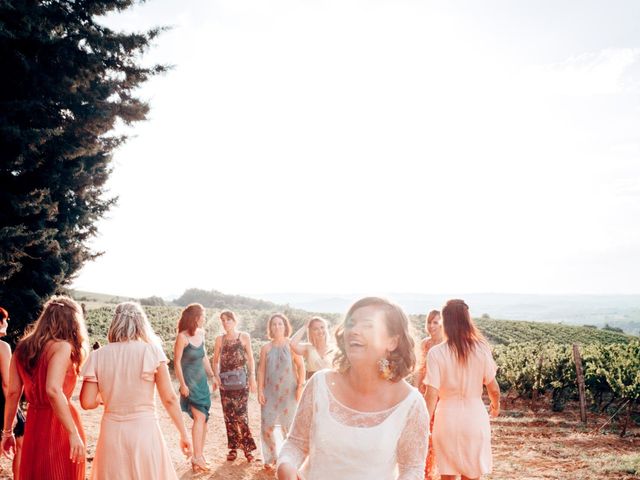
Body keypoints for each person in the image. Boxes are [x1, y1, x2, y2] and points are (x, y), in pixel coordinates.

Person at [277, 297, 429, 480]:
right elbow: (295, 443)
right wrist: (285, 466)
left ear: (392, 342)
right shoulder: (319, 384)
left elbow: (412, 469)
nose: (354, 331)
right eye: (351, 323)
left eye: (367, 325)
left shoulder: (410, 404)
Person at [80, 302, 192, 479]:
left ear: (115, 323)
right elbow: (169, 398)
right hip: (144, 431)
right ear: (141, 324)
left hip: (112, 433)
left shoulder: (98, 355)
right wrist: (184, 434)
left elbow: (86, 402)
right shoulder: (152, 352)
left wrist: (103, 398)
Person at [1, 296, 87, 480]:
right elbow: (53, 390)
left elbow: (13, 393)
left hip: (34, 421)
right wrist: (73, 433)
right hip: (61, 422)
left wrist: (7, 431)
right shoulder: (63, 347)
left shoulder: (23, 346)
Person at [424, 299, 501, 480]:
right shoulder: (481, 349)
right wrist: (495, 406)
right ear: (467, 320)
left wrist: (425, 423)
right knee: (472, 474)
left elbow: (431, 395)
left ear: (445, 322)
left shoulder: (436, 353)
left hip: (446, 420)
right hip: (474, 418)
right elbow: (494, 389)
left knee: (448, 475)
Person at [257, 313, 305, 470]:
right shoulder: (266, 348)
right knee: (267, 426)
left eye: (280, 324)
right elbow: (261, 371)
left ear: (285, 326)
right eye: (274, 324)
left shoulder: (291, 345)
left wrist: (300, 386)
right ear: (270, 327)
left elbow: (301, 366)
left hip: (289, 393)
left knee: (288, 427)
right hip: (270, 392)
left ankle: (289, 459)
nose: (277, 327)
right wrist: (259, 391)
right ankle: (271, 457)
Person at [173, 303, 216, 473]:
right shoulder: (182, 337)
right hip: (189, 383)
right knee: (199, 418)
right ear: (195, 318)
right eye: (203, 316)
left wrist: (213, 375)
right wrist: (182, 385)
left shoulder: (202, 334)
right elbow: (176, 362)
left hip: (202, 382)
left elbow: (204, 357)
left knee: (204, 419)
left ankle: (199, 455)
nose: (205, 319)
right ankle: (196, 457)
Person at [211, 310, 258, 462]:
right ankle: (233, 448)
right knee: (229, 416)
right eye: (223, 320)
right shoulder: (220, 339)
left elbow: (250, 358)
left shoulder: (244, 337)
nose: (225, 323)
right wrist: (216, 376)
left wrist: (252, 377)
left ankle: (247, 448)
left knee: (242, 416)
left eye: (228, 320)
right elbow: (215, 360)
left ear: (235, 321)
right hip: (225, 383)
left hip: (241, 382)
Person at [415, 309, 443, 480]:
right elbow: (419, 368)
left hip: (441, 396)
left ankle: (438, 472)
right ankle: (426, 473)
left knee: (438, 436)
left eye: (436, 322)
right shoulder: (425, 344)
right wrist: (416, 388)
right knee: (425, 435)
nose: (432, 326)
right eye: (429, 322)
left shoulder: (447, 344)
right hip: (425, 394)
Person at [0, 307, 25, 479]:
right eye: (5, 320)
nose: (7, 323)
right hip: (1, 403)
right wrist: (14, 412)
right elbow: (7, 383)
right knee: (22, 443)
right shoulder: (2, 347)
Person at [290, 316, 333, 380]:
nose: (320, 331)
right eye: (315, 329)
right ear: (311, 332)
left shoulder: (334, 348)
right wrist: (305, 326)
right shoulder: (308, 348)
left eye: (322, 327)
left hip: (331, 386)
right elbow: (292, 344)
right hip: (313, 386)